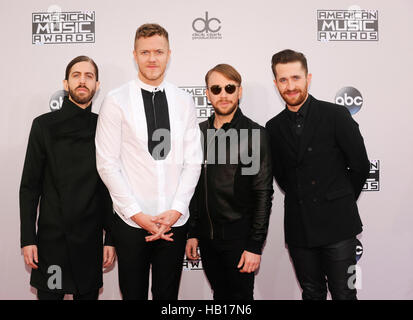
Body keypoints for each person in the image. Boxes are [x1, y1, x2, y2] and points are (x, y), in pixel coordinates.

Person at [95, 23, 202, 300]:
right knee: (133, 295)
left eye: (158, 51)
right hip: (131, 224)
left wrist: (176, 210)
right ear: (134, 55)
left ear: (169, 54)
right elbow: (107, 164)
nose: (152, 59)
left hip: (174, 223)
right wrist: (137, 214)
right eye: (145, 52)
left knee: (168, 298)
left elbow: (193, 161)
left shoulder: (184, 100)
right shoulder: (115, 101)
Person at [265, 49, 370, 300]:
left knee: (344, 293)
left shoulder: (335, 115)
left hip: (338, 225)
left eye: (296, 78)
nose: (290, 86)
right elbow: (282, 177)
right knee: (311, 294)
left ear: (308, 78)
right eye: (283, 80)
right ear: (276, 83)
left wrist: (339, 199)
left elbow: (360, 166)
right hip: (300, 227)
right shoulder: (273, 127)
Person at [19, 56, 116, 300]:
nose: (82, 80)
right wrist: (28, 238)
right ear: (66, 83)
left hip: (90, 241)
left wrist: (111, 239)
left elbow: (111, 188)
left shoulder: (105, 127)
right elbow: (30, 187)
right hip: (52, 242)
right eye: (76, 75)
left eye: (89, 76)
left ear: (97, 85)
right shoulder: (43, 126)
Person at [186, 64, 273, 300]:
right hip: (207, 238)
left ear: (239, 91)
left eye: (229, 88)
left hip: (239, 238)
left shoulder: (253, 134)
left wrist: (255, 244)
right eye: (216, 88)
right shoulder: (198, 134)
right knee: (219, 297)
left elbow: (263, 192)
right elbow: (191, 188)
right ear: (207, 94)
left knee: (240, 300)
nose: (223, 94)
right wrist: (192, 232)